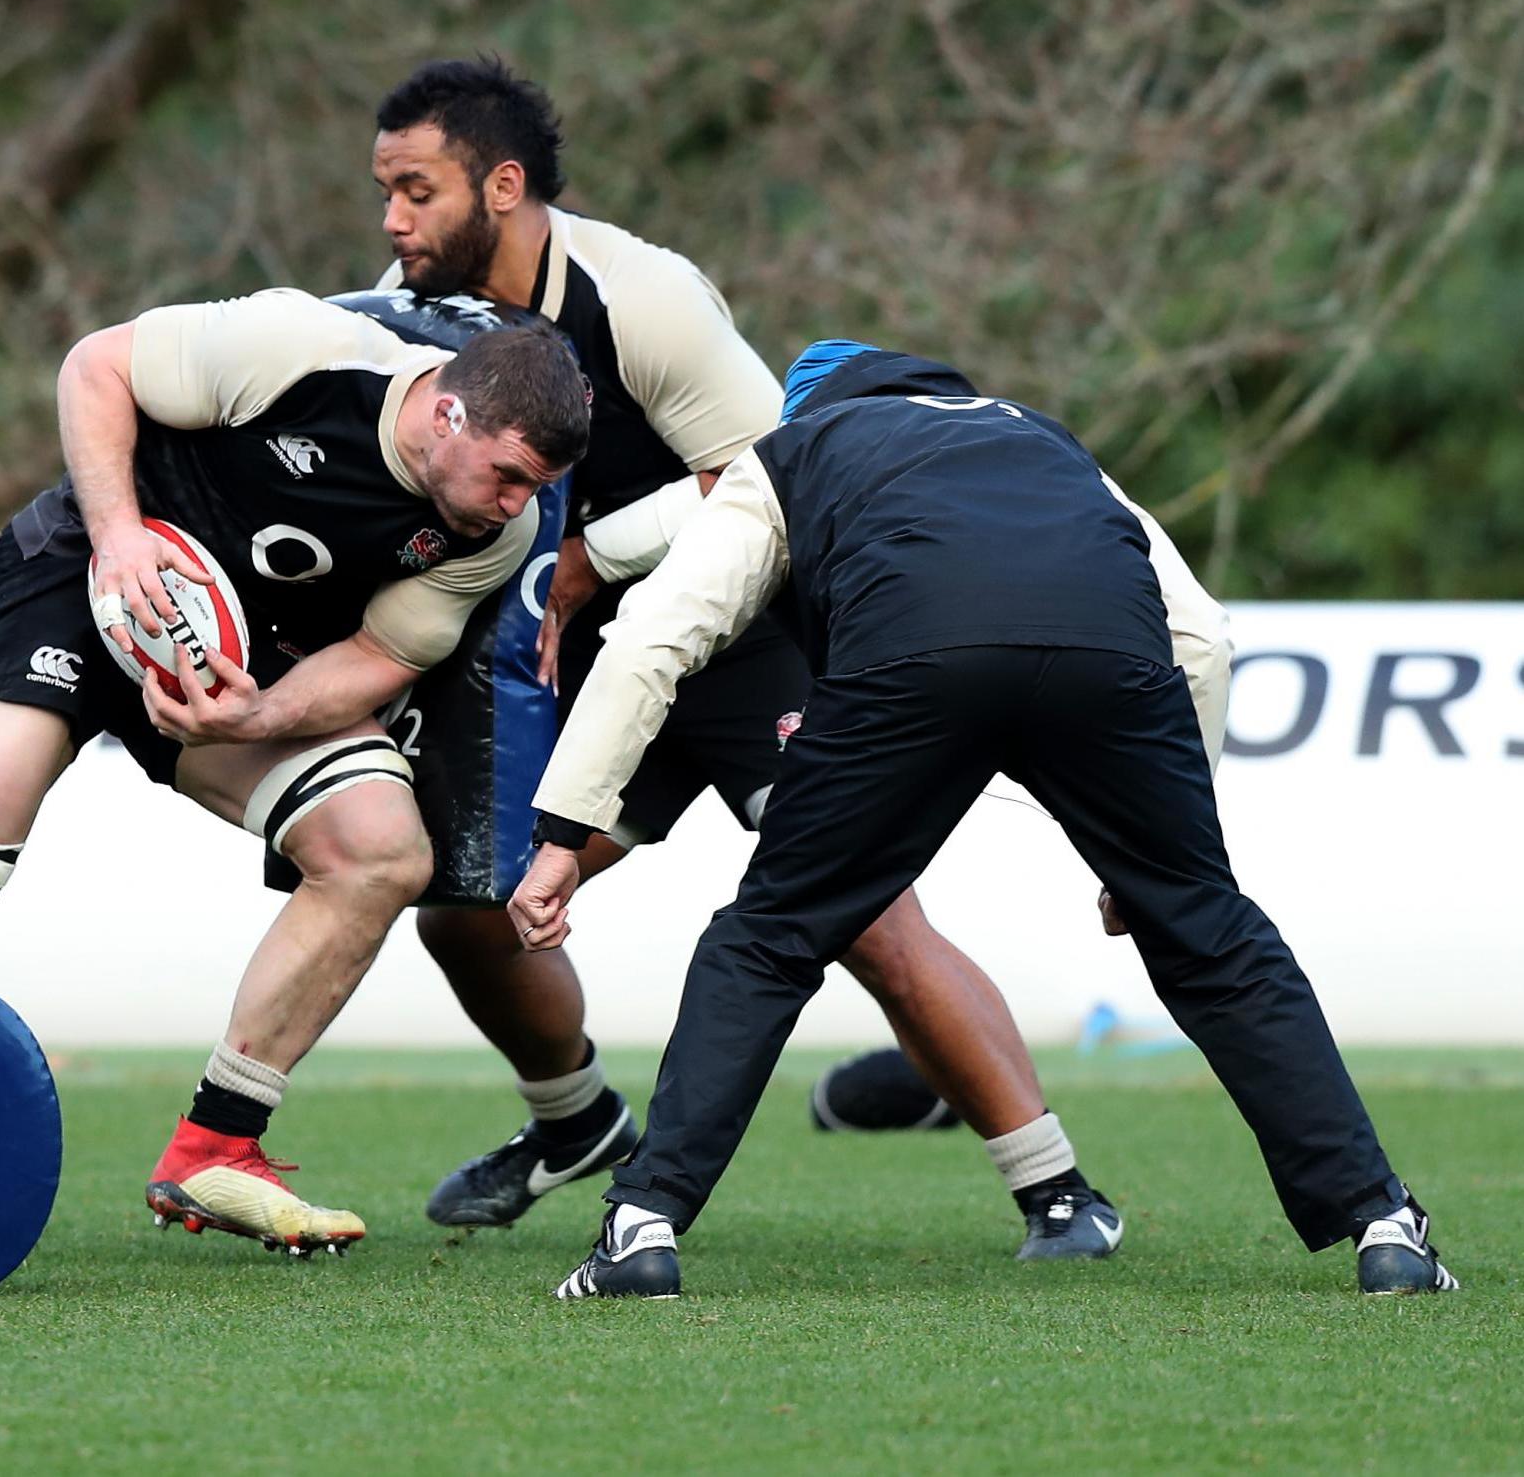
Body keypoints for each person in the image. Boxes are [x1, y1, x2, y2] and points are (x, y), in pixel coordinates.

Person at [512, 341, 1460, 1301]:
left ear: (807, 408)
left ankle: (644, 1226)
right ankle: (1383, 1224)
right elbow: (1205, 637)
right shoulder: (1049, 442)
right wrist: (1161, 857)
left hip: (908, 654)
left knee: (769, 939)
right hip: (1105, 657)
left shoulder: (794, 451)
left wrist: (560, 833)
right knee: (1215, 938)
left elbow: (651, 639)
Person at [370, 58, 1123, 1257]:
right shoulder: (407, 321)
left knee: (866, 912)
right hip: (594, 674)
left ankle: (1060, 1188)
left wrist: (584, 562)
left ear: (502, 185)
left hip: (745, 639)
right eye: (386, 193)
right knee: (468, 903)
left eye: (417, 190)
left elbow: (775, 466)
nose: (395, 220)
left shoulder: (644, 294)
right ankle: (572, 1120)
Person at [0, 292, 587, 1254]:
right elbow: (96, 364)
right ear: (448, 414)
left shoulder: (495, 534)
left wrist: (256, 714)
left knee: (382, 853)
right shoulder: (303, 350)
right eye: (510, 476)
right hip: (78, 581)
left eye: (537, 487)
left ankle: (216, 1144)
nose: (519, 507)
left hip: (234, 666)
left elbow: (384, 657)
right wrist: (122, 535)